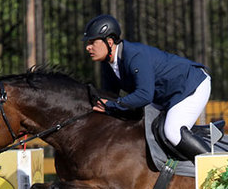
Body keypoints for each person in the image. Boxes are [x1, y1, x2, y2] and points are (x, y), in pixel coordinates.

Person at [82, 14, 212, 161]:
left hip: (191, 85)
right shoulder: (108, 65)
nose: (88, 47)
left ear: (110, 42)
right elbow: (109, 98)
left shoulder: (134, 56)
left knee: (172, 132)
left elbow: (144, 95)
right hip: (168, 94)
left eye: (92, 42)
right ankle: (202, 134)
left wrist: (112, 105)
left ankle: (217, 167)